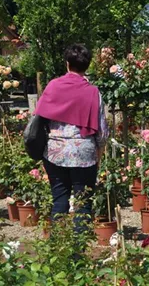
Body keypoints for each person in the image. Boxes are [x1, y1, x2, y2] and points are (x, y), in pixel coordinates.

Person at [34, 44, 108, 233]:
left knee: (59, 200)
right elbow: (102, 131)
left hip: (55, 153)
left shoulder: (53, 86)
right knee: (83, 204)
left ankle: (58, 245)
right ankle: (78, 249)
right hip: (84, 154)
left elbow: (39, 117)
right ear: (87, 65)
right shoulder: (93, 92)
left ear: (67, 63)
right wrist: (99, 152)